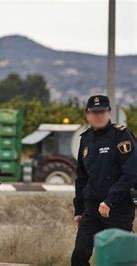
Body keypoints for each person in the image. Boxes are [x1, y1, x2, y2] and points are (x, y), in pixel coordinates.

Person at [71, 95, 137, 266]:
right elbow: (82, 178)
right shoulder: (86, 139)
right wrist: (78, 210)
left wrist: (109, 201)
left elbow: (131, 173)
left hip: (118, 208)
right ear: (87, 115)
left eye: (102, 112)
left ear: (109, 113)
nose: (98, 116)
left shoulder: (121, 136)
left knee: (119, 259)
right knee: (79, 255)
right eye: (94, 113)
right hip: (92, 209)